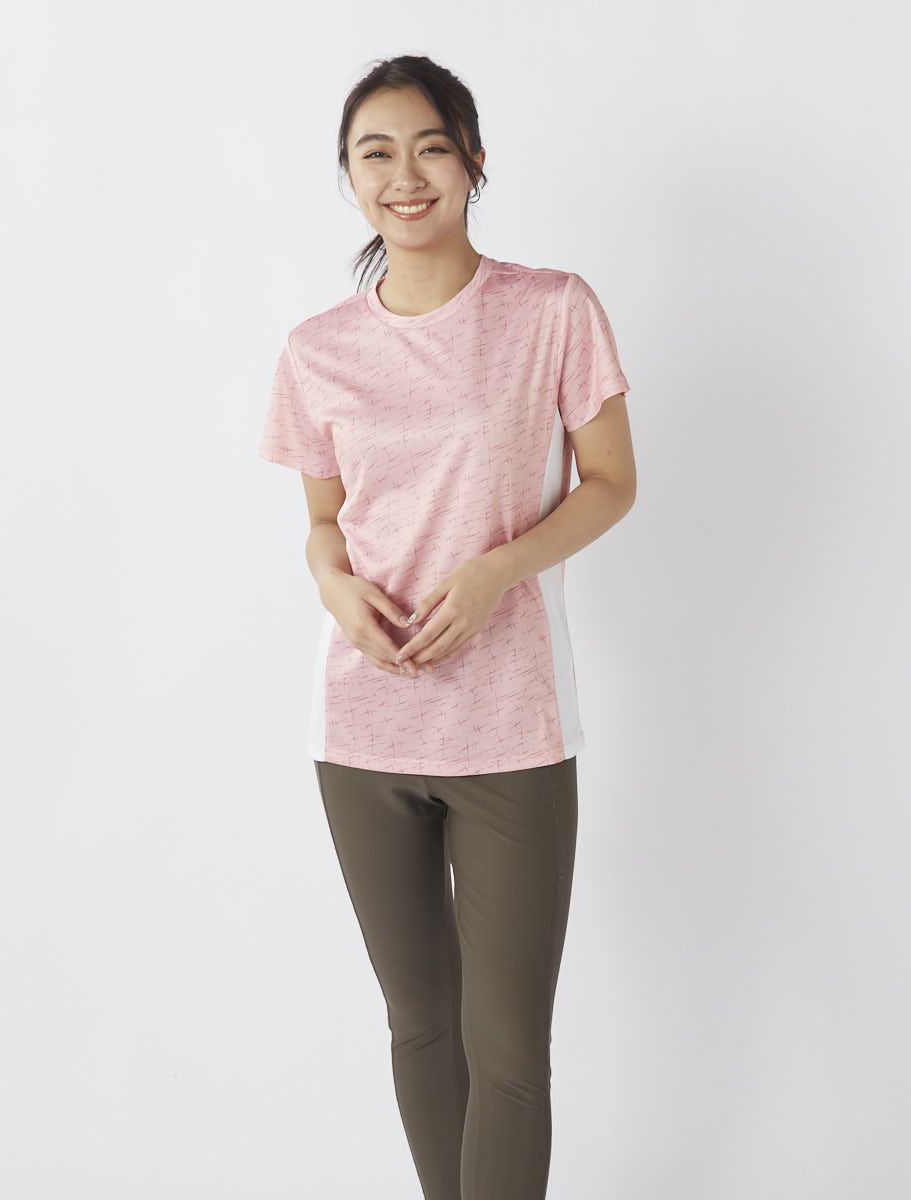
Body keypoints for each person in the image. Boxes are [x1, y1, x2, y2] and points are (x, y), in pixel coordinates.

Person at [258, 54, 636, 1200]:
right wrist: (331, 585)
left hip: (511, 726)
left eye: (429, 146)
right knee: (419, 1024)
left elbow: (610, 483)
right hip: (361, 731)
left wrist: (494, 575)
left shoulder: (551, 309)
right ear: (349, 176)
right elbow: (322, 526)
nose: (404, 174)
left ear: (473, 159)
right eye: (374, 153)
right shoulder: (316, 348)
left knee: (508, 1051)